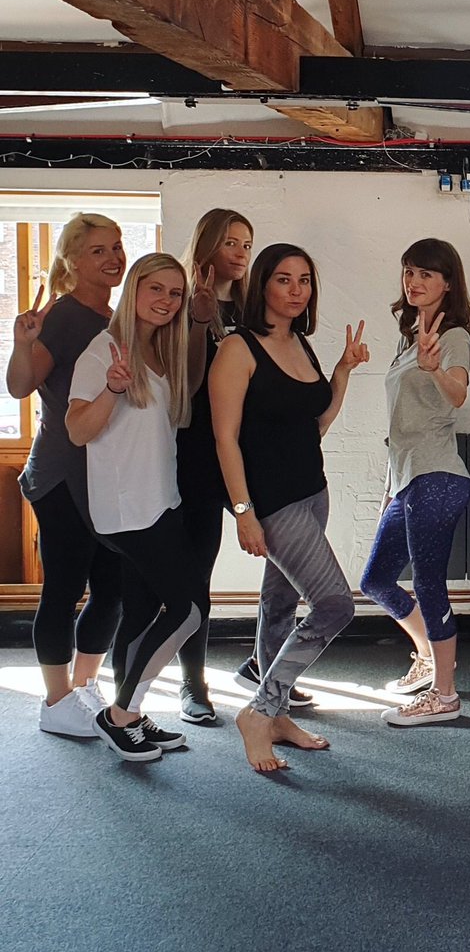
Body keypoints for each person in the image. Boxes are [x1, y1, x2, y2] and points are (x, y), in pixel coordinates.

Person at [209, 243, 369, 772]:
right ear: (262, 285)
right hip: (273, 503)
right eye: (283, 279)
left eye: (304, 280)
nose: (296, 290)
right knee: (335, 606)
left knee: (279, 604)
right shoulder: (237, 349)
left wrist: (342, 371)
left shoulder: (300, 343)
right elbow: (225, 439)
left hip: (312, 492)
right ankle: (259, 712)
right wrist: (243, 511)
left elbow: (313, 425)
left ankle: (275, 718)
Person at [66, 253, 205, 762]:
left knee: (144, 612)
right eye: (156, 288)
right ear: (134, 289)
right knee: (189, 610)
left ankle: (132, 713)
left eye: (175, 293)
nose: (166, 301)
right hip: (128, 511)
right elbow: (78, 430)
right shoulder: (103, 350)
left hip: (160, 502)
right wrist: (111, 389)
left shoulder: (161, 352)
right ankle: (119, 714)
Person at [7, 214, 127, 738]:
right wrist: (22, 342)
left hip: (105, 475)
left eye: (116, 247)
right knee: (64, 586)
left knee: (112, 588)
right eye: (99, 250)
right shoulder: (60, 315)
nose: (113, 258)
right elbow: (20, 386)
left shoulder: (116, 317)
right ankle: (55, 702)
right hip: (60, 473)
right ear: (73, 260)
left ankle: (83, 686)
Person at [358, 239, 470, 727]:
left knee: (429, 584)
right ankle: (428, 657)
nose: (414, 282)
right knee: (375, 580)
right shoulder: (409, 340)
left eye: (426, 273)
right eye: (409, 272)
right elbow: (399, 426)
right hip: (408, 478)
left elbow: (458, 394)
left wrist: (436, 370)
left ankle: (444, 696)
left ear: (447, 283)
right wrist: (389, 488)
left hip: (438, 476)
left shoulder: (454, 336)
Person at [172, 208, 254, 723]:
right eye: (230, 243)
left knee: (288, 560)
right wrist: (201, 321)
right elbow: (182, 385)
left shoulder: (252, 307)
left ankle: (265, 666)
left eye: (246, 244)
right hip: (196, 457)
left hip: (247, 454)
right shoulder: (180, 302)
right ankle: (192, 684)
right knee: (195, 574)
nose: (241, 253)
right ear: (208, 245)